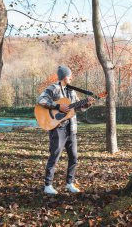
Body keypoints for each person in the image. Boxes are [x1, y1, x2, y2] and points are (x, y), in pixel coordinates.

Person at [37, 65, 94, 195]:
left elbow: (78, 107)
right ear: (63, 76)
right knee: (55, 156)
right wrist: (57, 106)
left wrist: (87, 104)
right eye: (69, 75)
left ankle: (69, 183)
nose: (71, 77)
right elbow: (41, 100)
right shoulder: (54, 88)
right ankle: (48, 185)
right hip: (58, 128)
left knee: (74, 157)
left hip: (71, 128)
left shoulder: (72, 92)